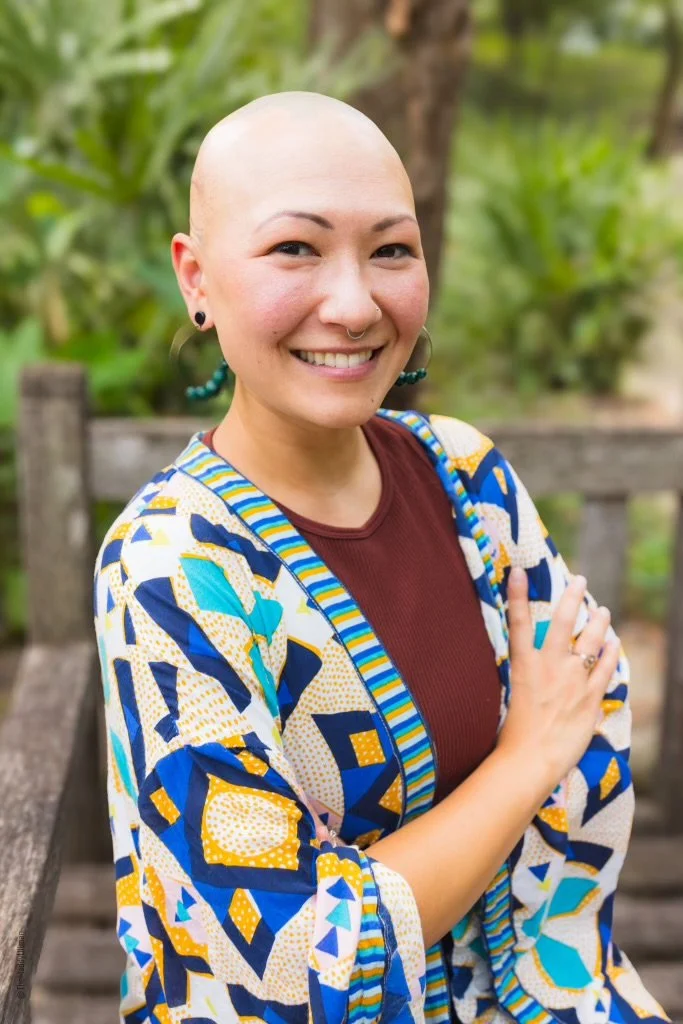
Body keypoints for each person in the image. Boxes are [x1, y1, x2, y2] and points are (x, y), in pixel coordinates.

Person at [93, 92, 669, 1024]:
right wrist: (523, 758)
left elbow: (587, 724)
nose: (354, 304)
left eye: (392, 250)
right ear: (195, 278)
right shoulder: (170, 568)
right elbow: (290, 955)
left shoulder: (467, 479)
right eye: (295, 248)